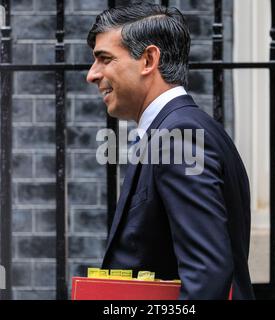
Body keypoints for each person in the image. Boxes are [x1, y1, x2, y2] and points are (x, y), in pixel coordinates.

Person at [86, 2, 254, 299]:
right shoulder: (176, 130)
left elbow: (206, 275)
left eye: (104, 59)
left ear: (149, 59)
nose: (92, 74)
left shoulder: (178, 136)